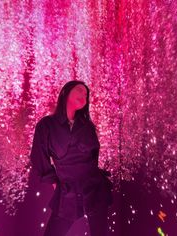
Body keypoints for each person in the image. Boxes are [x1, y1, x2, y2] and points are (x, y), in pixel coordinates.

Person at [30, 80, 113, 236]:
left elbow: (94, 156)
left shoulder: (87, 127)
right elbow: (38, 156)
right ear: (65, 92)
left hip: (94, 188)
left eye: (86, 95)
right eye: (80, 90)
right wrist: (53, 181)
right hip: (68, 191)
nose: (84, 95)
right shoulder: (47, 125)